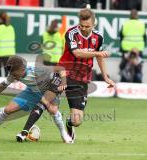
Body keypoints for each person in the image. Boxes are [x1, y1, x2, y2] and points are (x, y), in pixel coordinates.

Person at [0, 55, 72, 143]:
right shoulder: (13, 73)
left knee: (53, 110)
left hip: (49, 90)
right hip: (31, 91)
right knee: (8, 109)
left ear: (23, 69)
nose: (15, 78)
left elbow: (61, 68)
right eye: (13, 75)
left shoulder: (38, 70)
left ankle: (64, 133)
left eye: (16, 75)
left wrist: (63, 83)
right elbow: (3, 85)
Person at [57, 8, 115, 142]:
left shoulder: (98, 37)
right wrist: (97, 53)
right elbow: (77, 53)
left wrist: (105, 77)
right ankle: (26, 130)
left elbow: (100, 57)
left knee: (77, 121)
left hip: (82, 78)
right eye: (81, 25)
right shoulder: (71, 33)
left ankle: (69, 124)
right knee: (47, 103)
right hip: (64, 73)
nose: (83, 28)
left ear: (94, 24)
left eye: (87, 26)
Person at [120, 9, 145, 82]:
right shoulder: (141, 24)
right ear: (137, 15)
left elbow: (121, 36)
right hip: (138, 49)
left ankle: (123, 82)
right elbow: (144, 37)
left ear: (130, 15)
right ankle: (138, 82)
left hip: (127, 48)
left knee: (124, 67)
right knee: (138, 68)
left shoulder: (126, 23)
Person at [0, 11, 16, 78]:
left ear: (0, 19)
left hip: (0, 53)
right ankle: (7, 85)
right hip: (9, 53)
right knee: (7, 71)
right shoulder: (11, 28)